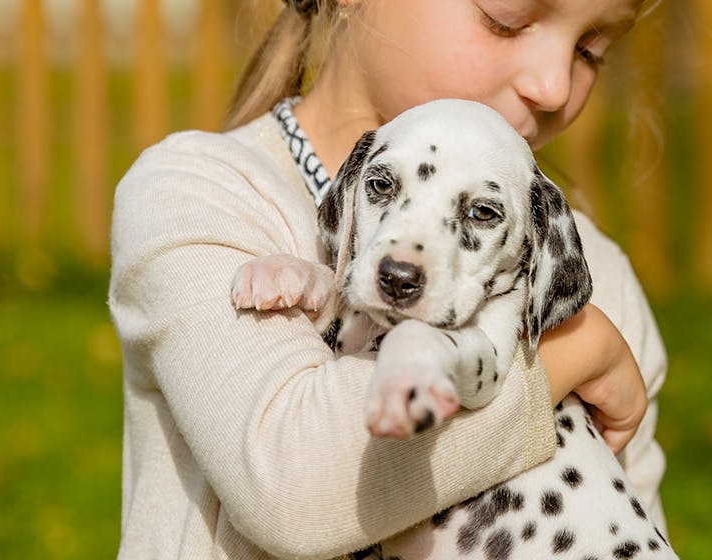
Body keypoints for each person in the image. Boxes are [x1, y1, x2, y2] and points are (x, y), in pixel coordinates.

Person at [108, 0, 669, 557]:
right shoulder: (197, 195)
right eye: (506, 20)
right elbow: (295, 489)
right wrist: (573, 353)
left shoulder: (598, 272)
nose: (553, 86)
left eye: (590, 52)